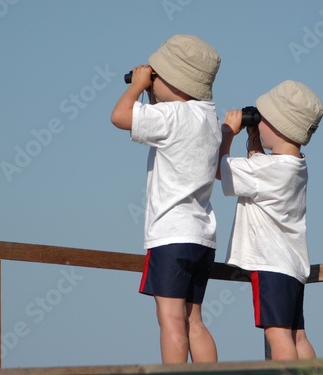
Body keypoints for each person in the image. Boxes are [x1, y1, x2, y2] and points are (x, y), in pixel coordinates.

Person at [110, 34, 221, 364]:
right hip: (202, 237)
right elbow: (171, 118)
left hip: (170, 234)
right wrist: (153, 91)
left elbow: (119, 116)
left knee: (170, 320)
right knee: (194, 321)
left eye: (155, 76)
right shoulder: (208, 119)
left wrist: (136, 87)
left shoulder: (170, 118)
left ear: (172, 80)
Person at [216, 80, 323, 360]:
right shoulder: (296, 165)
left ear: (278, 125)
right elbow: (260, 170)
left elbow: (220, 170)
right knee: (297, 335)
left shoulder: (266, 169)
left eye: (262, 119)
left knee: (276, 334)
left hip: (270, 264)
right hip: (292, 266)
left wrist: (227, 132)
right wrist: (254, 139)